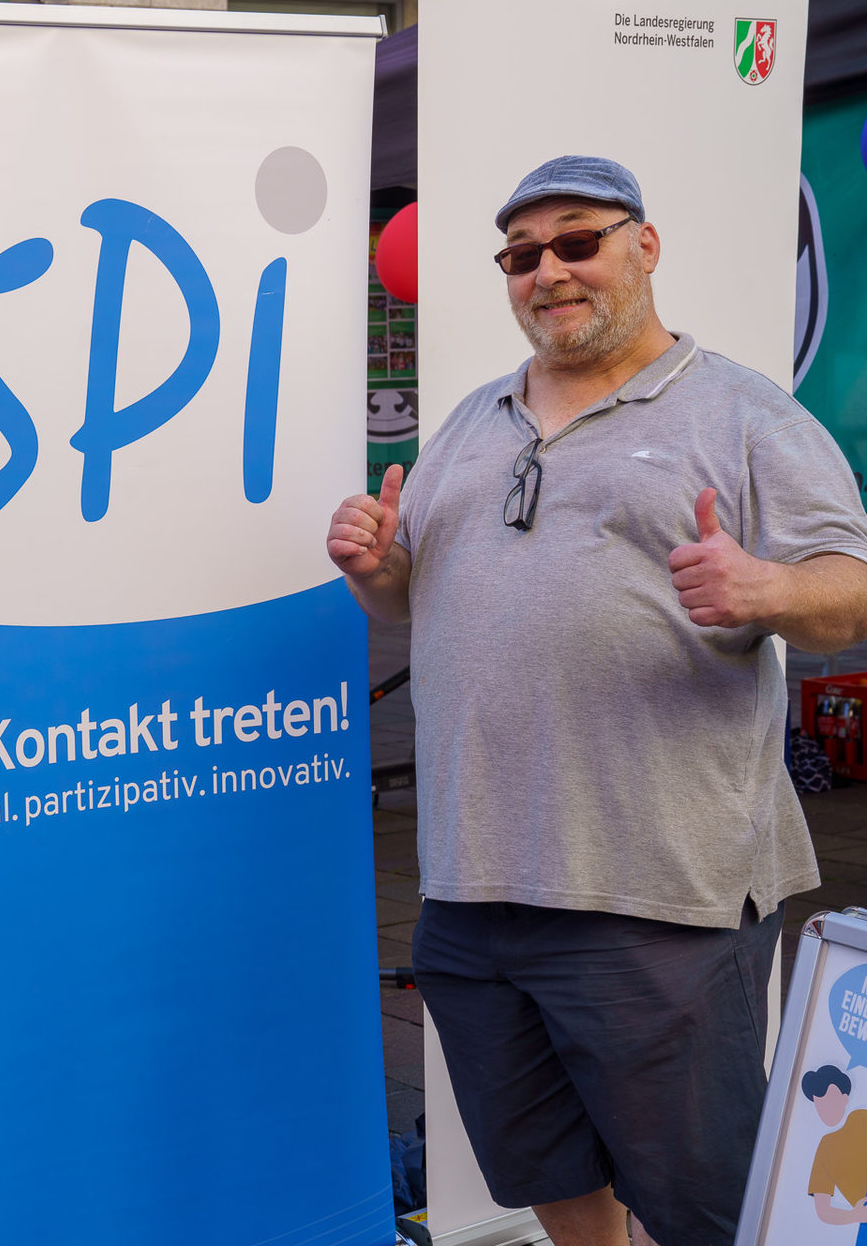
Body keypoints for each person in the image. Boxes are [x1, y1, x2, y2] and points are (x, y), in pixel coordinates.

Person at [325, 155, 867, 1246]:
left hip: (657, 890)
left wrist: (765, 589)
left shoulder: (744, 413)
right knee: (542, 1161)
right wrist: (376, 566)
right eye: (522, 255)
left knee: (700, 1195)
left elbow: (847, 589)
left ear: (644, 246)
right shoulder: (473, 420)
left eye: (578, 241)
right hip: (472, 878)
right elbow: (410, 593)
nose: (549, 271)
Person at [803, 1064, 867, 1234]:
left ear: (845, 1097)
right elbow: (823, 1210)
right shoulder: (826, 1146)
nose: (826, 1110)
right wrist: (854, 1216)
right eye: (820, 1104)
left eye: (830, 1100)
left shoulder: (861, 1118)